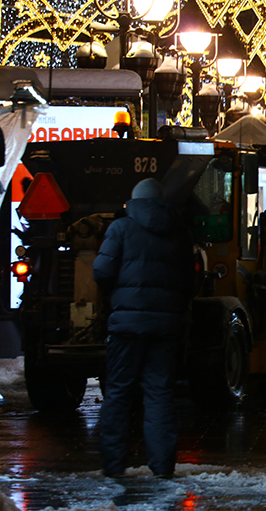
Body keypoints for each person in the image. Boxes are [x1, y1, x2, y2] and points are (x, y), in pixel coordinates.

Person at [94, 178, 194, 478]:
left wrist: (117, 297)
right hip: (165, 327)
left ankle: (113, 466)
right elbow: (190, 280)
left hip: (126, 327)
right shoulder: (180, 234)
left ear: (134, 201)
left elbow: (101, 271)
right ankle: (162, 468)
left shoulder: (120, 229)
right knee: (159, 394)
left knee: (119, 393)